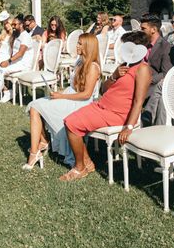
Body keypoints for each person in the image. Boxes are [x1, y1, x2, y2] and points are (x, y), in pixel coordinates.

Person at [61, 31, 151, 181]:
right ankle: (87, 162)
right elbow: (103, 89)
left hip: (117, 114)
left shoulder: (143, 69)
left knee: (72, 124)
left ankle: (79, 168)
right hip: (101, 106)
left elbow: (138, 101)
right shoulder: (124, 65)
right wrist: (115, 75)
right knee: (68, 121)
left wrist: (129, 127)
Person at [23, 33, 101, 169]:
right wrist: (60, 93)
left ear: (88, 46)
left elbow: (86, 95)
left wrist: (62, 97)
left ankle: (37, 149)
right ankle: (38, 147)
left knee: (37, 106)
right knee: (34, 106)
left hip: (81, 103)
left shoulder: (93, 67)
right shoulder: (79, 62)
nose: (76, 46)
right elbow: (72, 87)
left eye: (79, 44)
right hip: (70, 97)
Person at [0, 15, 34, 108]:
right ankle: (6, 92)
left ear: (21, 25)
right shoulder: (17, 35)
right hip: (16, 62)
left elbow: (20, 53)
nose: (12, 26)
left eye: (14, 24)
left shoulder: (25, 36)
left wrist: (8, 61)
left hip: (23, 65)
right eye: (12, 24)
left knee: (1, 70)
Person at [140, 15, 174, 126]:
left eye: (143, 29)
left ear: (153, 30)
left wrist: (148, 80)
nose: (141, 31)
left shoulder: (166, 47)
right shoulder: (142, 44)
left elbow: (166, 73)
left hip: (153, 85)